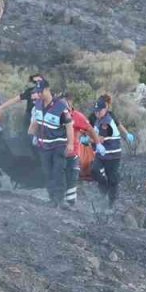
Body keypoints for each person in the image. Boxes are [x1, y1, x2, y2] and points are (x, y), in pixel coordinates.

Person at [27, 79, 74, 207]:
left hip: (58, 144)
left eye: (41, 91)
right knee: (47, 172)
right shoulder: (38, 105)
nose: (39, 94)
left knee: (58, 171)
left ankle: (60, 199)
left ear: (47, 89)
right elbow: (36, 122)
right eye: (38, 92)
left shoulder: (61, 106)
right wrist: (31, 134)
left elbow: (69, 126)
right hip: (44, 145)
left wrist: (70, 144)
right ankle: (52, 198)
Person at [89, 95, 124, 207]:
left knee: (112, 178)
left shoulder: (107, 122)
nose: (97, 113)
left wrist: (86, 139)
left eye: (99, 111)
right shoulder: (99, 120)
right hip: (102, 154)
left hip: (113, 155)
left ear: (105, 109)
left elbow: (99, 139)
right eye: (96, 111)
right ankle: (104, 190)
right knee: (94, 170)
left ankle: (111, 203)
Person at [61, 93, 95, 208]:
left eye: (66, 101)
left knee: (73, 176)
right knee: (61, 176)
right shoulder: (57, 114)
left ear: (70, 102)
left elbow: (89, 128)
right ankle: (61, 200)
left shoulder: (77, 116)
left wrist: (97, 142)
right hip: (59, 152)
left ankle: (71, 202)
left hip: (73, 152)